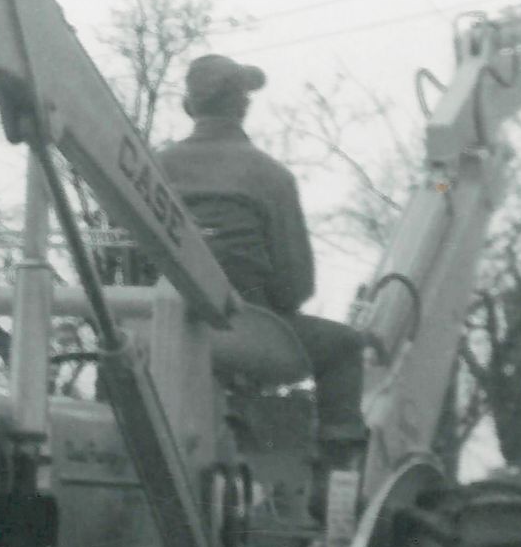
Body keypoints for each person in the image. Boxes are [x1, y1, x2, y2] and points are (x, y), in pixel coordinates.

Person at [156, 54, 365, 440]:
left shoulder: (151, 167)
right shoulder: (272, 177)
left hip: (157, 328)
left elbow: (118, 256)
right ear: (243, 105)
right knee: (346, 347)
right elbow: (295, 286)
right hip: (246, 331)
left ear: (189, 106)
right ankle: (335, 477)